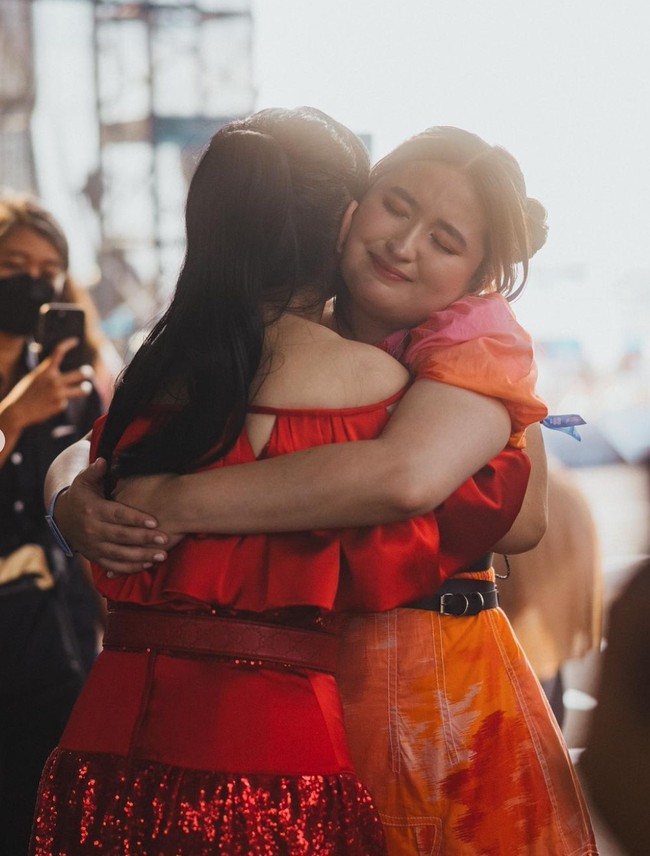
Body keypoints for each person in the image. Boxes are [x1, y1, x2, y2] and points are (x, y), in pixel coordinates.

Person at [45, 126, 597, 853]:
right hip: (299, 679)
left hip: (431, 677)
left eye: (445, 240)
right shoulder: (287, 334)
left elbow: (502, 511)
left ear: (478, 274)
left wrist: (170, 504)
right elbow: (104, 439)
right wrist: (69, 498)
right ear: (348, 208)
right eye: (395, 206)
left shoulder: (475, 349)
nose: (405, 244)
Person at [0, 193, 104, 856]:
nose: (34, 282)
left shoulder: (76, 383)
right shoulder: (31, 396)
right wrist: (13, 416)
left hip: (54, 642)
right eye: (14, 264)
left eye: (50, 270)